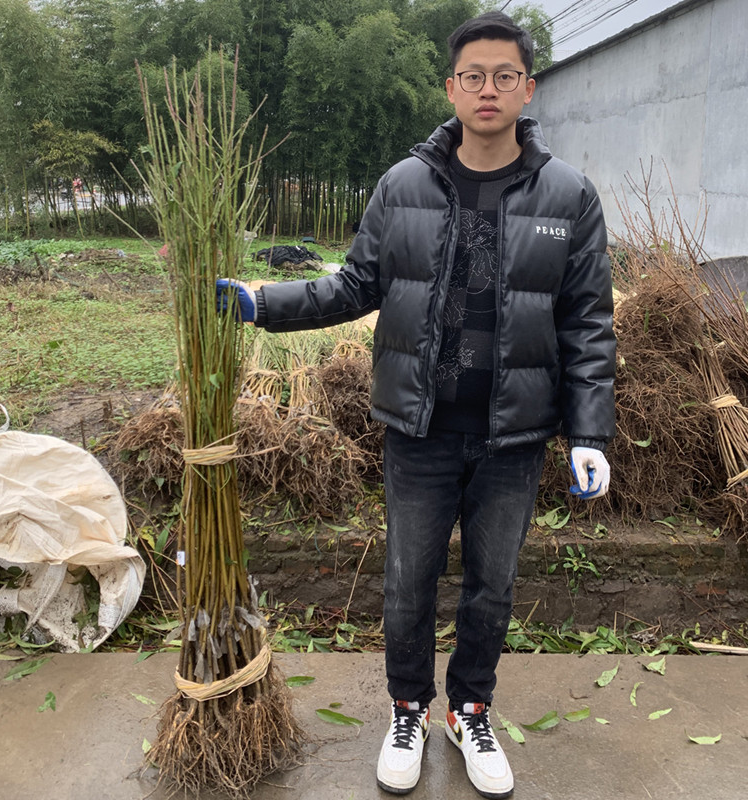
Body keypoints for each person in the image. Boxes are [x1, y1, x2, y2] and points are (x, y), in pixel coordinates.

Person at [217, 10, 615, 798]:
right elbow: (356, 286)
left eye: (506, 75)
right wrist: (267, 304)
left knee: (492, 585)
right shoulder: (404, 185)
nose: (489, 89)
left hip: (514, 436)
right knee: (407, 580)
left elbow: (588, 322)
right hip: (420, 429)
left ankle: (470, 709)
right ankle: (408, 708)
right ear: (452, 88)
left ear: (528, 88)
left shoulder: (568, 194)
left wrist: (588, 431)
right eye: (474, 76)